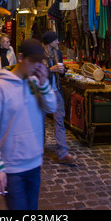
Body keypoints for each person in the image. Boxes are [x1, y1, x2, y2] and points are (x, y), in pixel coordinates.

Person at [0, 38, 57, 210]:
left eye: (40, 62)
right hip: (12, 168)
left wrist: (44, 84)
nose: (36, 66)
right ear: (21, 58)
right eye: (33, 61)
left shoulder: (36, 82)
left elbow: (52, 107)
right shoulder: (0, 87)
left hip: (34, 164)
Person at [41, 30, 76, 164]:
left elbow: (60, 74)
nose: (58, 42)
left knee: (59, 121)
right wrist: (51, 70)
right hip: (43, 92)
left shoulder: (58, 54)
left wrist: (62, 71)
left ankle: (63, 153)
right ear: (50, 42)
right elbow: (36, 73)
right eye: (56, 40)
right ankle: (39, 148)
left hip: (56, 91)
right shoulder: (39, 54)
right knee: (40, 122)